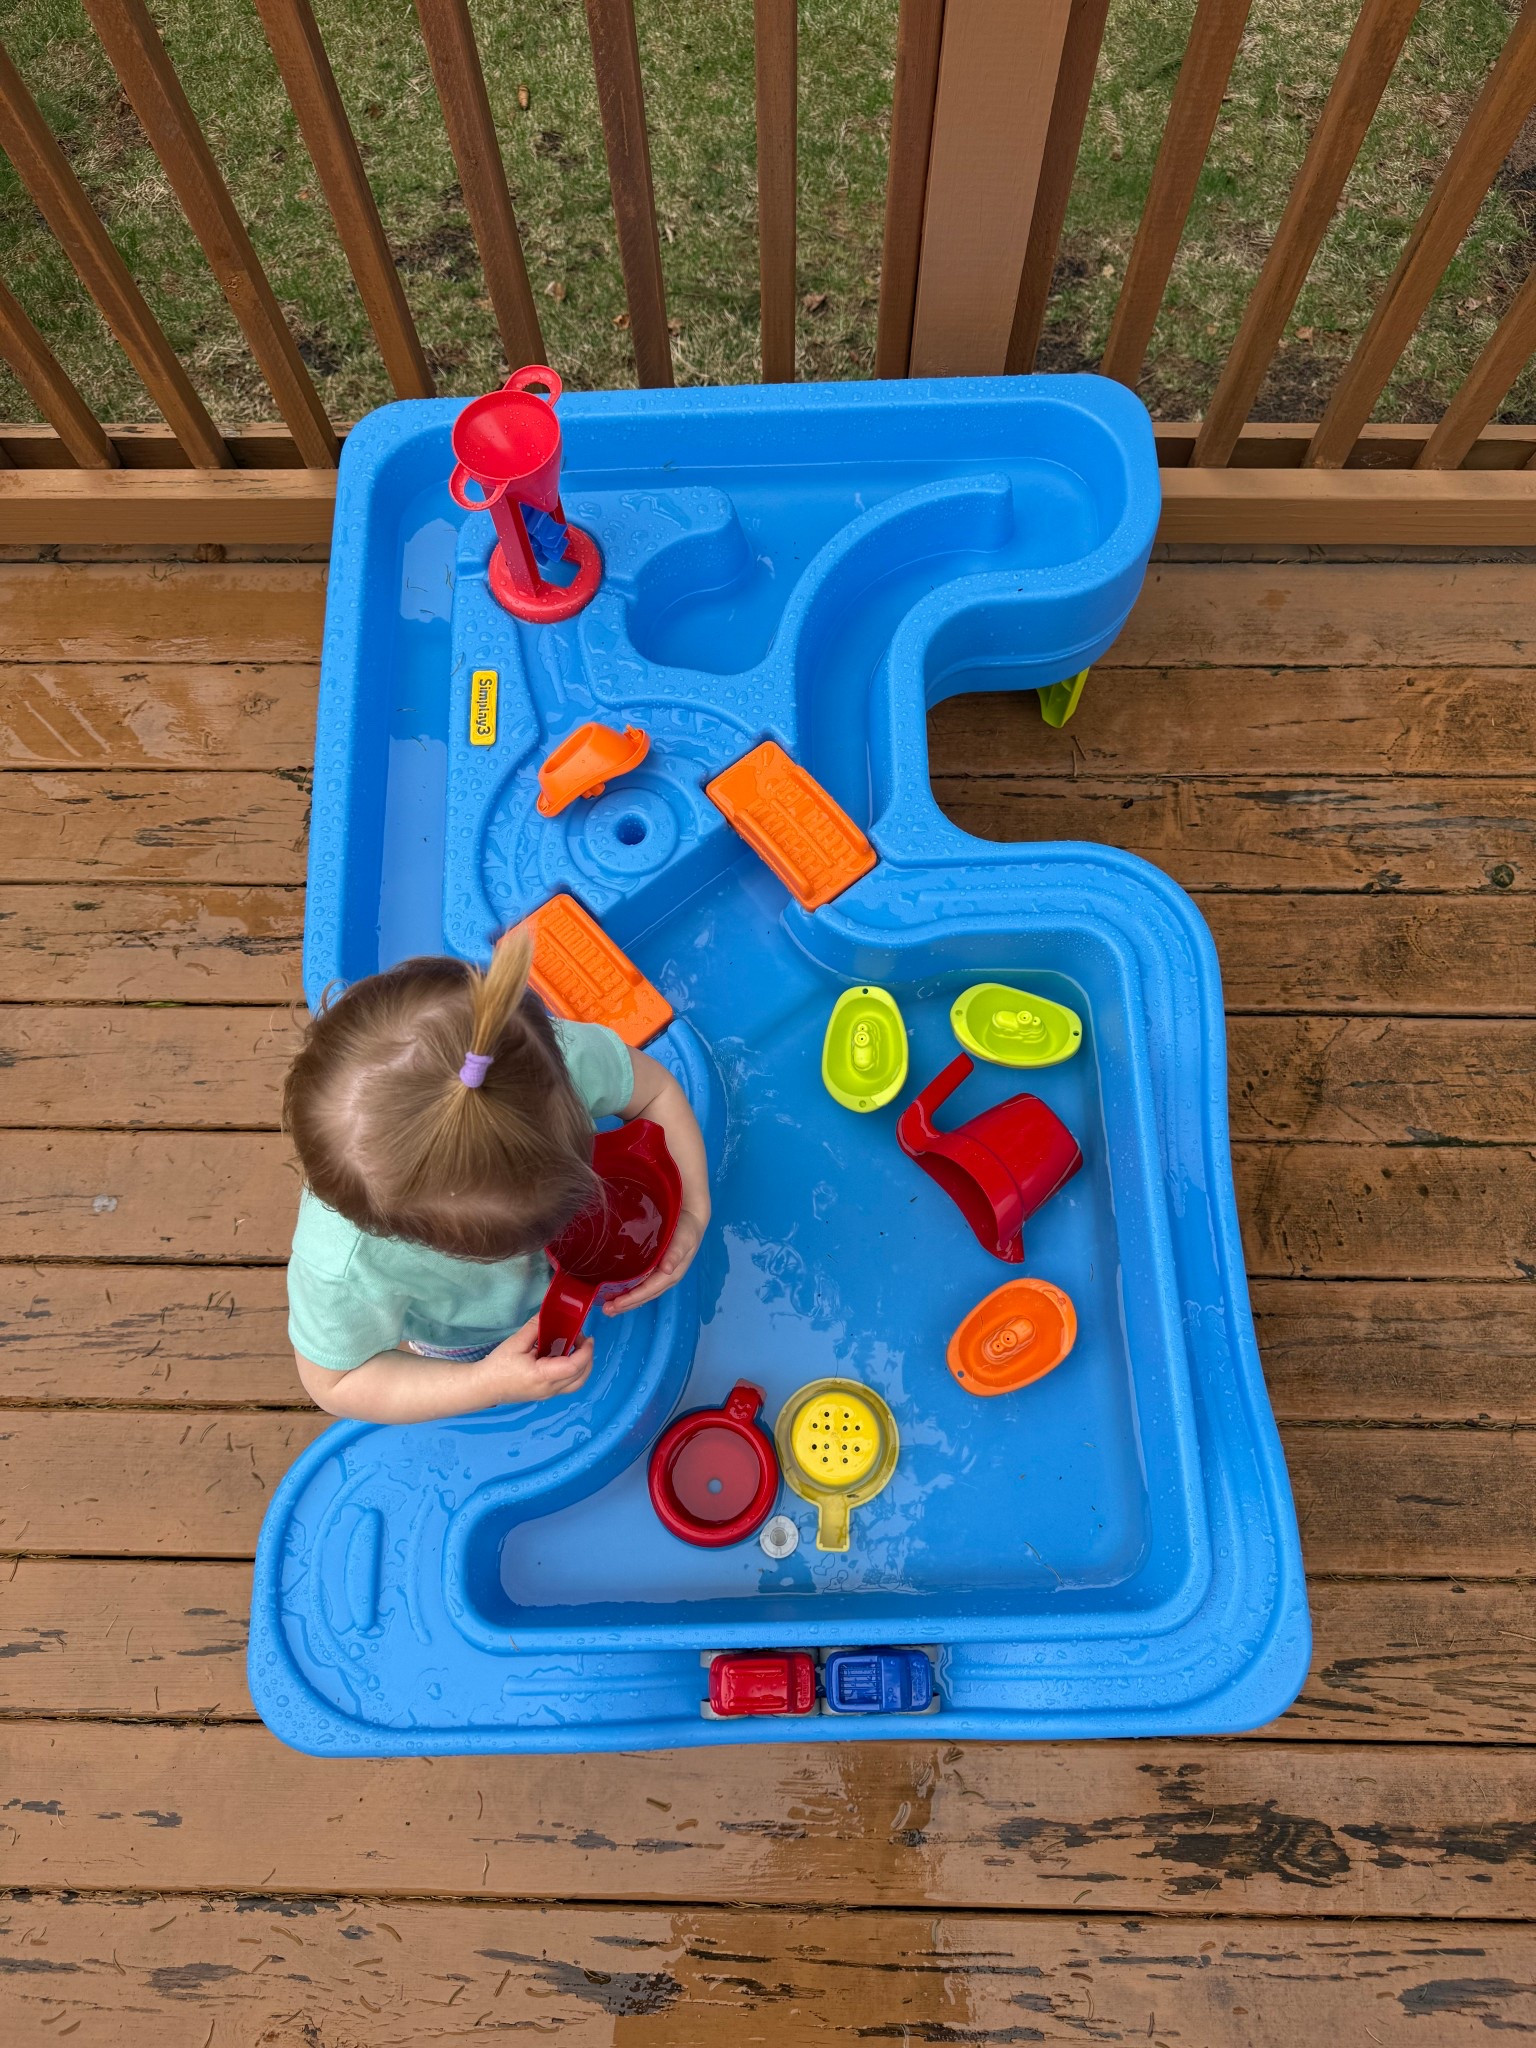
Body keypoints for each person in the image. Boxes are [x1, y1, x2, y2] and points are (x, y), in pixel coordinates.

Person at [282, 930, 709, 1424]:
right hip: (469, 1335)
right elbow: (335, 1381)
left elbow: (656, 1093)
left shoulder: (545, 1062)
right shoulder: (343, 1266)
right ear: (397, 1233)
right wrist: (483, 1384)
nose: (547, 1245)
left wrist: (694, 1208)